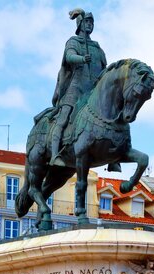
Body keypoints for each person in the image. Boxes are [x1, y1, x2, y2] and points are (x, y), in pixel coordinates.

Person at [49, 8, 108, 167]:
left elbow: (104, 67)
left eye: (92, 23)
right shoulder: (73, 42)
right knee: (63, 118)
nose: (90, 25)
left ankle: (113, 156)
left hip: (93, 91)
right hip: (75, 88)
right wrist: (82, 58)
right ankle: (54, 154)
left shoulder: (96, 47)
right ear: (80, 24)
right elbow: (69, 57)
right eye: (87, 22)